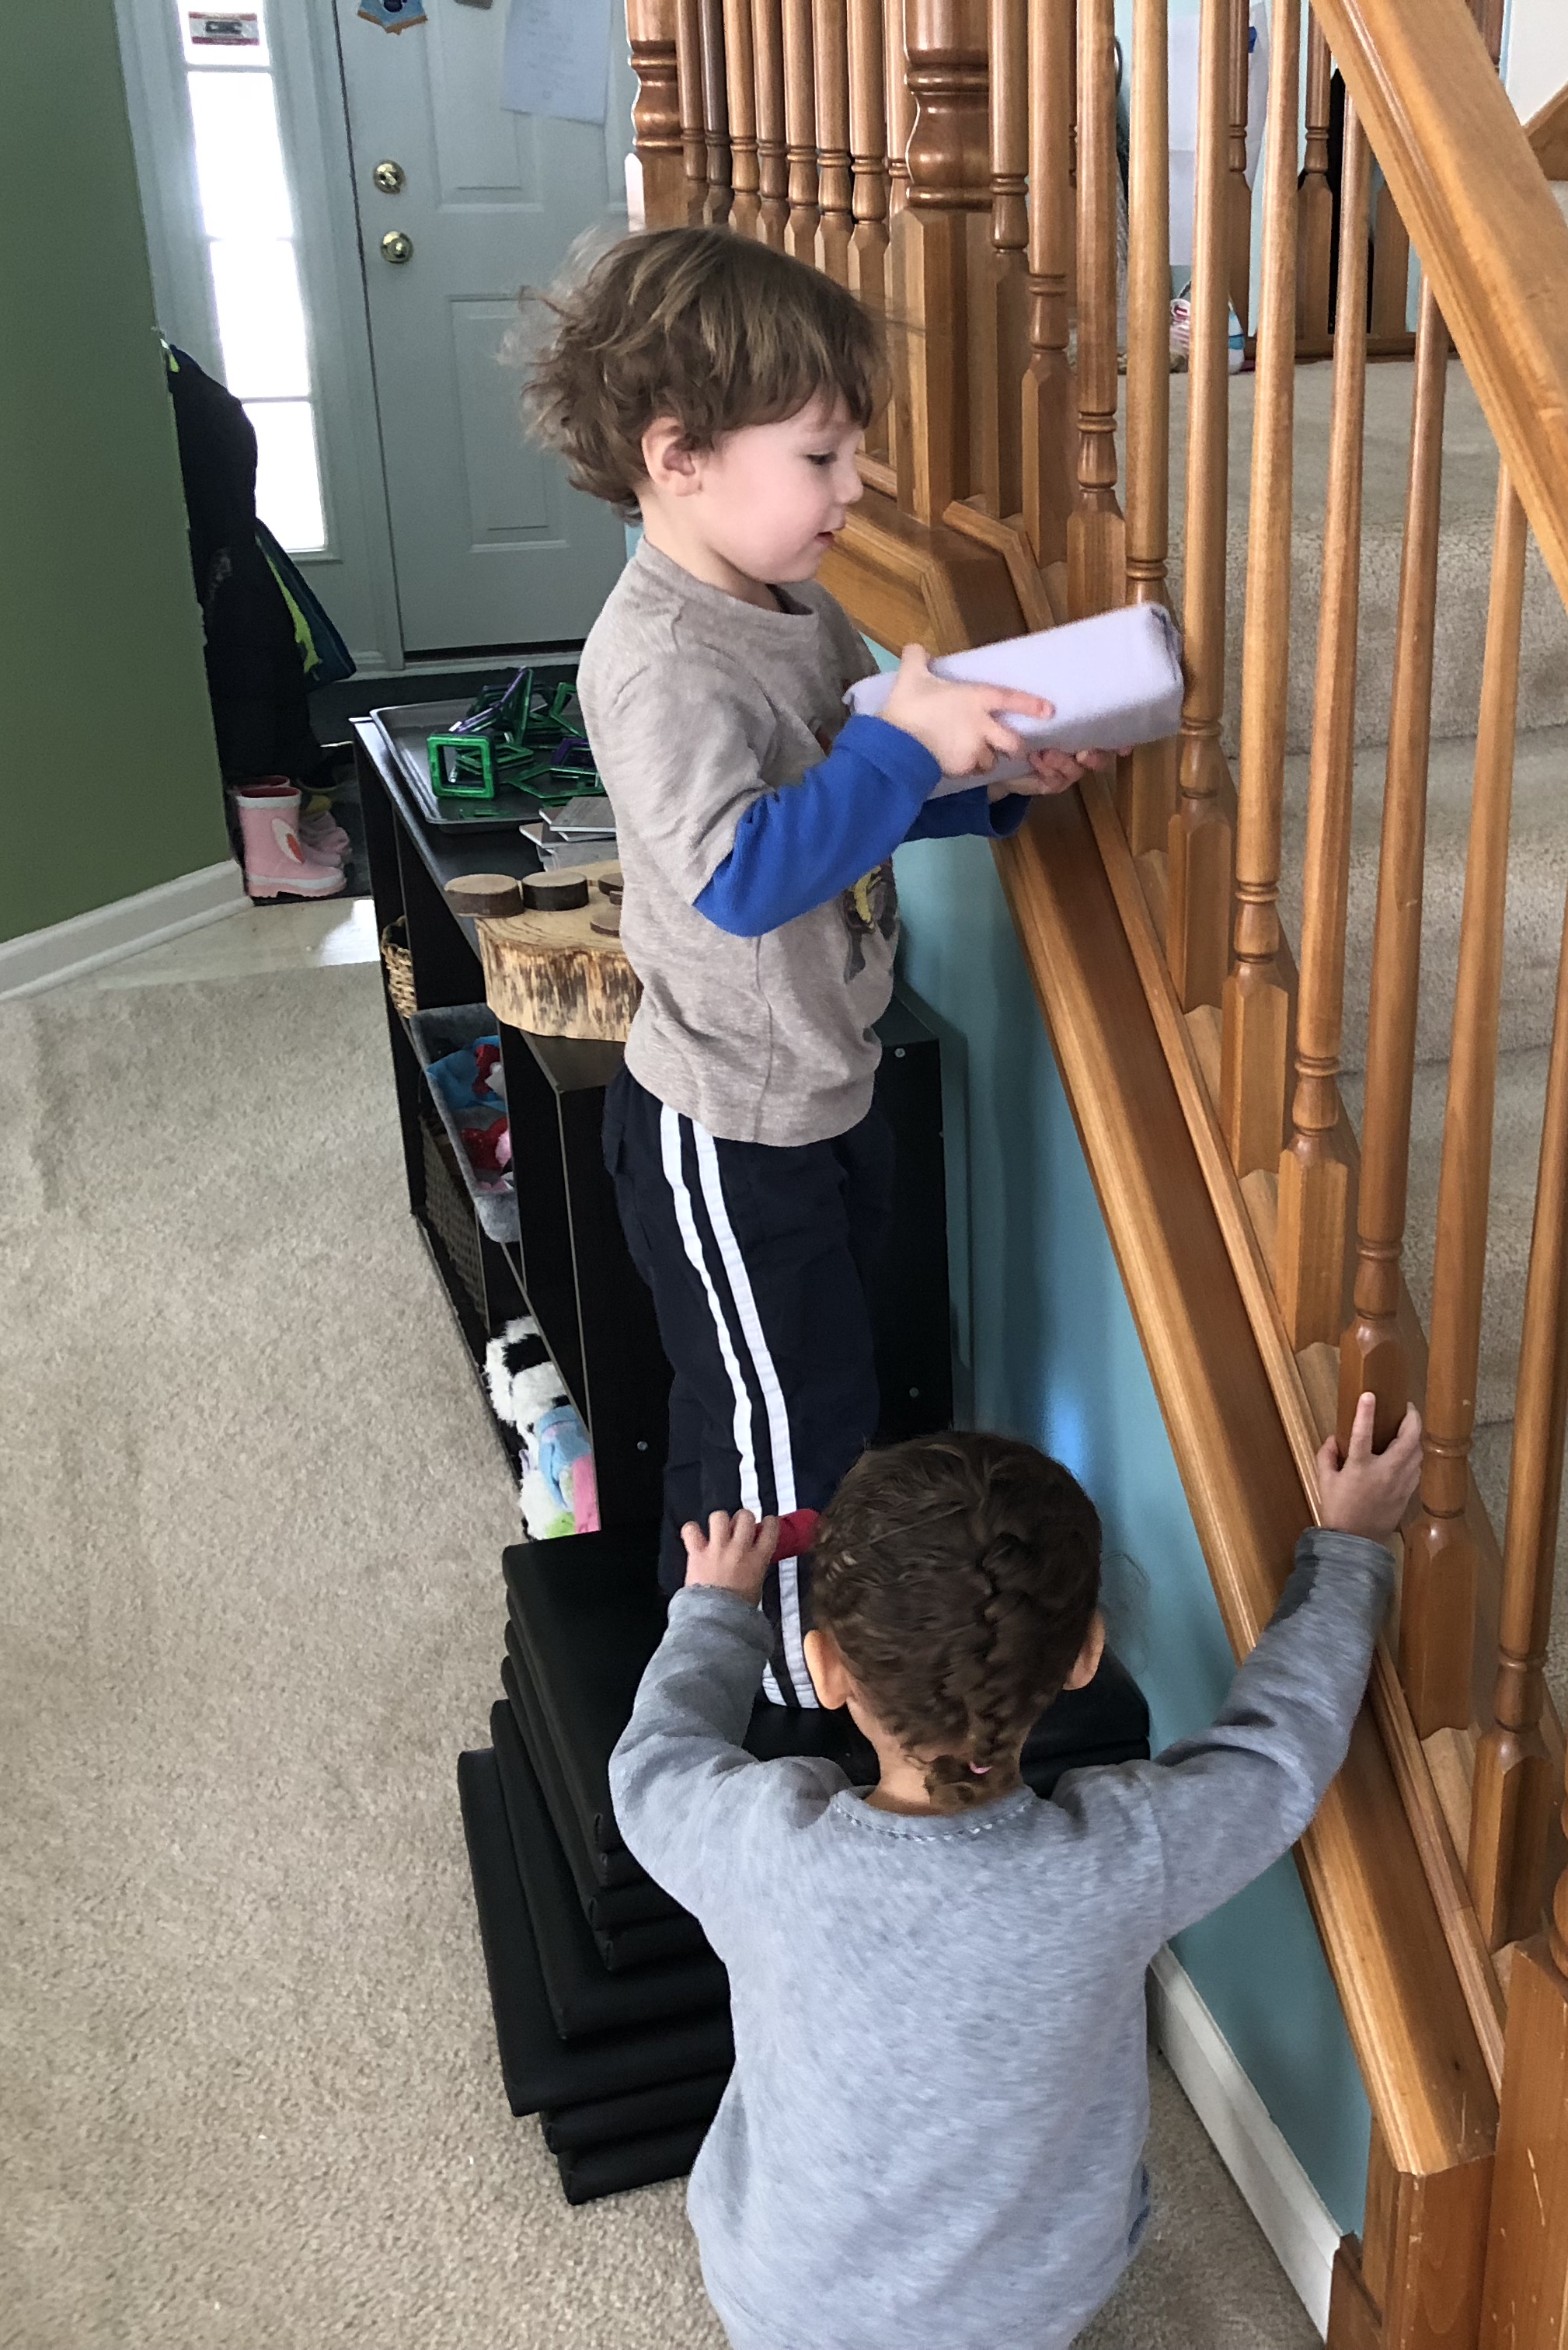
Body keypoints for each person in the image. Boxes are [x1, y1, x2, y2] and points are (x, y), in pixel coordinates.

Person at [523, 225, 1105, 1705]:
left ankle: (744, 1659)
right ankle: (786, 1703)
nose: (854, 493)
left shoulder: (792, 610)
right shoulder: (657, 658)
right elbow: (745, 874)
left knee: (799, 1401)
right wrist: (900, 742)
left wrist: (986, 781)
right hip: (724, 1125)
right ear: (680, 456)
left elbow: (856, 805)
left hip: (818, 1090)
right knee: (788, 1435)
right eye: (824, 459)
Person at [608, 1396, 1424, 2350]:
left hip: (787, 2301)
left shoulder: (758, 1846)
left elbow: (652, 1764)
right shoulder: (1123, 1858)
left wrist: (716, 1613)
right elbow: (1278, 1755)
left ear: (826, 1671)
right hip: (1022, 2311)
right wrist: (1347, 1548)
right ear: (1085, 1656)